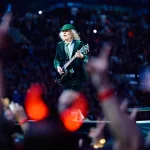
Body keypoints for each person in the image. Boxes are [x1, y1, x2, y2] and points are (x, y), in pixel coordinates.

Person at [54, 24, 88, 92]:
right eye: (63, 31)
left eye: (66, 31)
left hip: (77, 77)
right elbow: (56, 59)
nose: (64, 32)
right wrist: (58, 66)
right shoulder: (60, 45)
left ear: (72, 32)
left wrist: (82, 56)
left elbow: (87, 59)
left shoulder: (79, 44)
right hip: (65, 78)